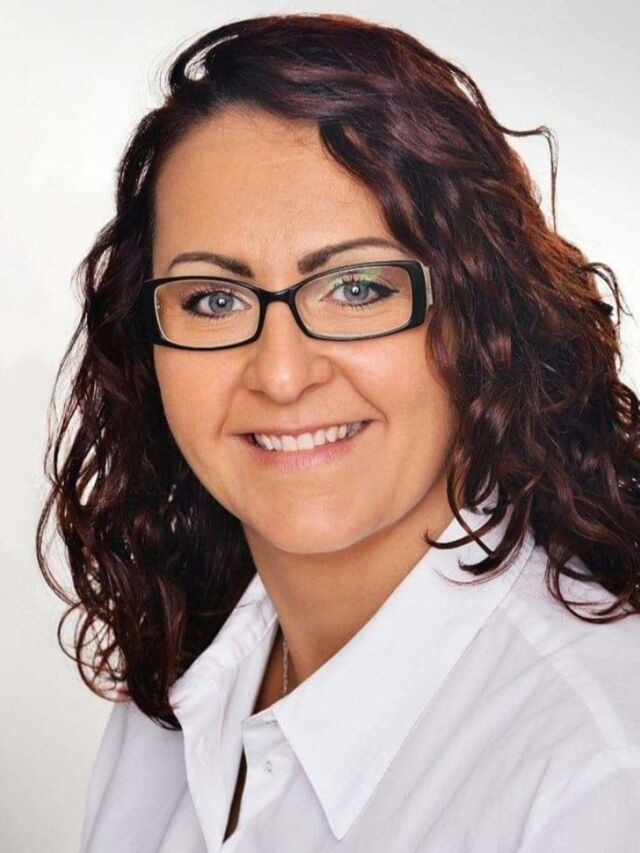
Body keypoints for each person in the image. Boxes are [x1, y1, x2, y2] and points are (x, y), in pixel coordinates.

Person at [36, 12, 640, 853]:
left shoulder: (602, 773)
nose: (282, 375)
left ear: (481, 314)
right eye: (214, 299)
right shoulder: (175, 702)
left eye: (357, 289)